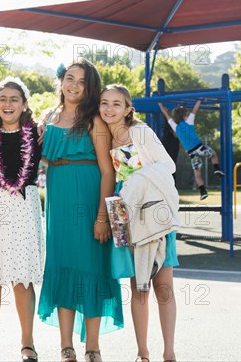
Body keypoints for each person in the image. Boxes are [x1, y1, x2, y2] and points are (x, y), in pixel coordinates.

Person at [37, 60, 123, 362]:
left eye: (81, 81)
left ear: (90, 88)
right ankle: (66, 346)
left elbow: (108, 172)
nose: (73, 84)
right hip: (58, 202)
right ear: (62, 81)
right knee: (62, 266)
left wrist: (102, 216)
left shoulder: (94, 121)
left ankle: (93, 347)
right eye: (69, 78)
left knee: (92, 268)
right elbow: (40, 157)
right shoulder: (48, 116)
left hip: (88, 199)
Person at [101, 85, 179, 362]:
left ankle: (169, 352)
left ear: (128, 108)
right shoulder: (102, 135)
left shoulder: (141, 132)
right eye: (104, 103)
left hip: (152, 208)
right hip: (123, 211)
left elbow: (167, 165)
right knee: (138, 285)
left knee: (163, 284)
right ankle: (142, 353)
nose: (109, 109)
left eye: (116, 104)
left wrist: (134, 184)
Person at [0, 77, 43, 362]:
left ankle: (27, 343)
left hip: (23, 206)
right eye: (2, 98)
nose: (7, 104)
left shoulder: (38, 135)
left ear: (24, 104)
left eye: (14, 99)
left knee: (22, 278)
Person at [158, 101, 224, 200]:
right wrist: (199, 101)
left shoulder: (175, 127)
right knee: (213, 154)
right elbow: (195, 110)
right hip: (200, 148)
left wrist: (160, 104)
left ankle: (203, 191)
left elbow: (166, 114)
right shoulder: (189, 122)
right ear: (185, 116)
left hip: (192, 153)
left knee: (197, 174)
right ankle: (217, 169)